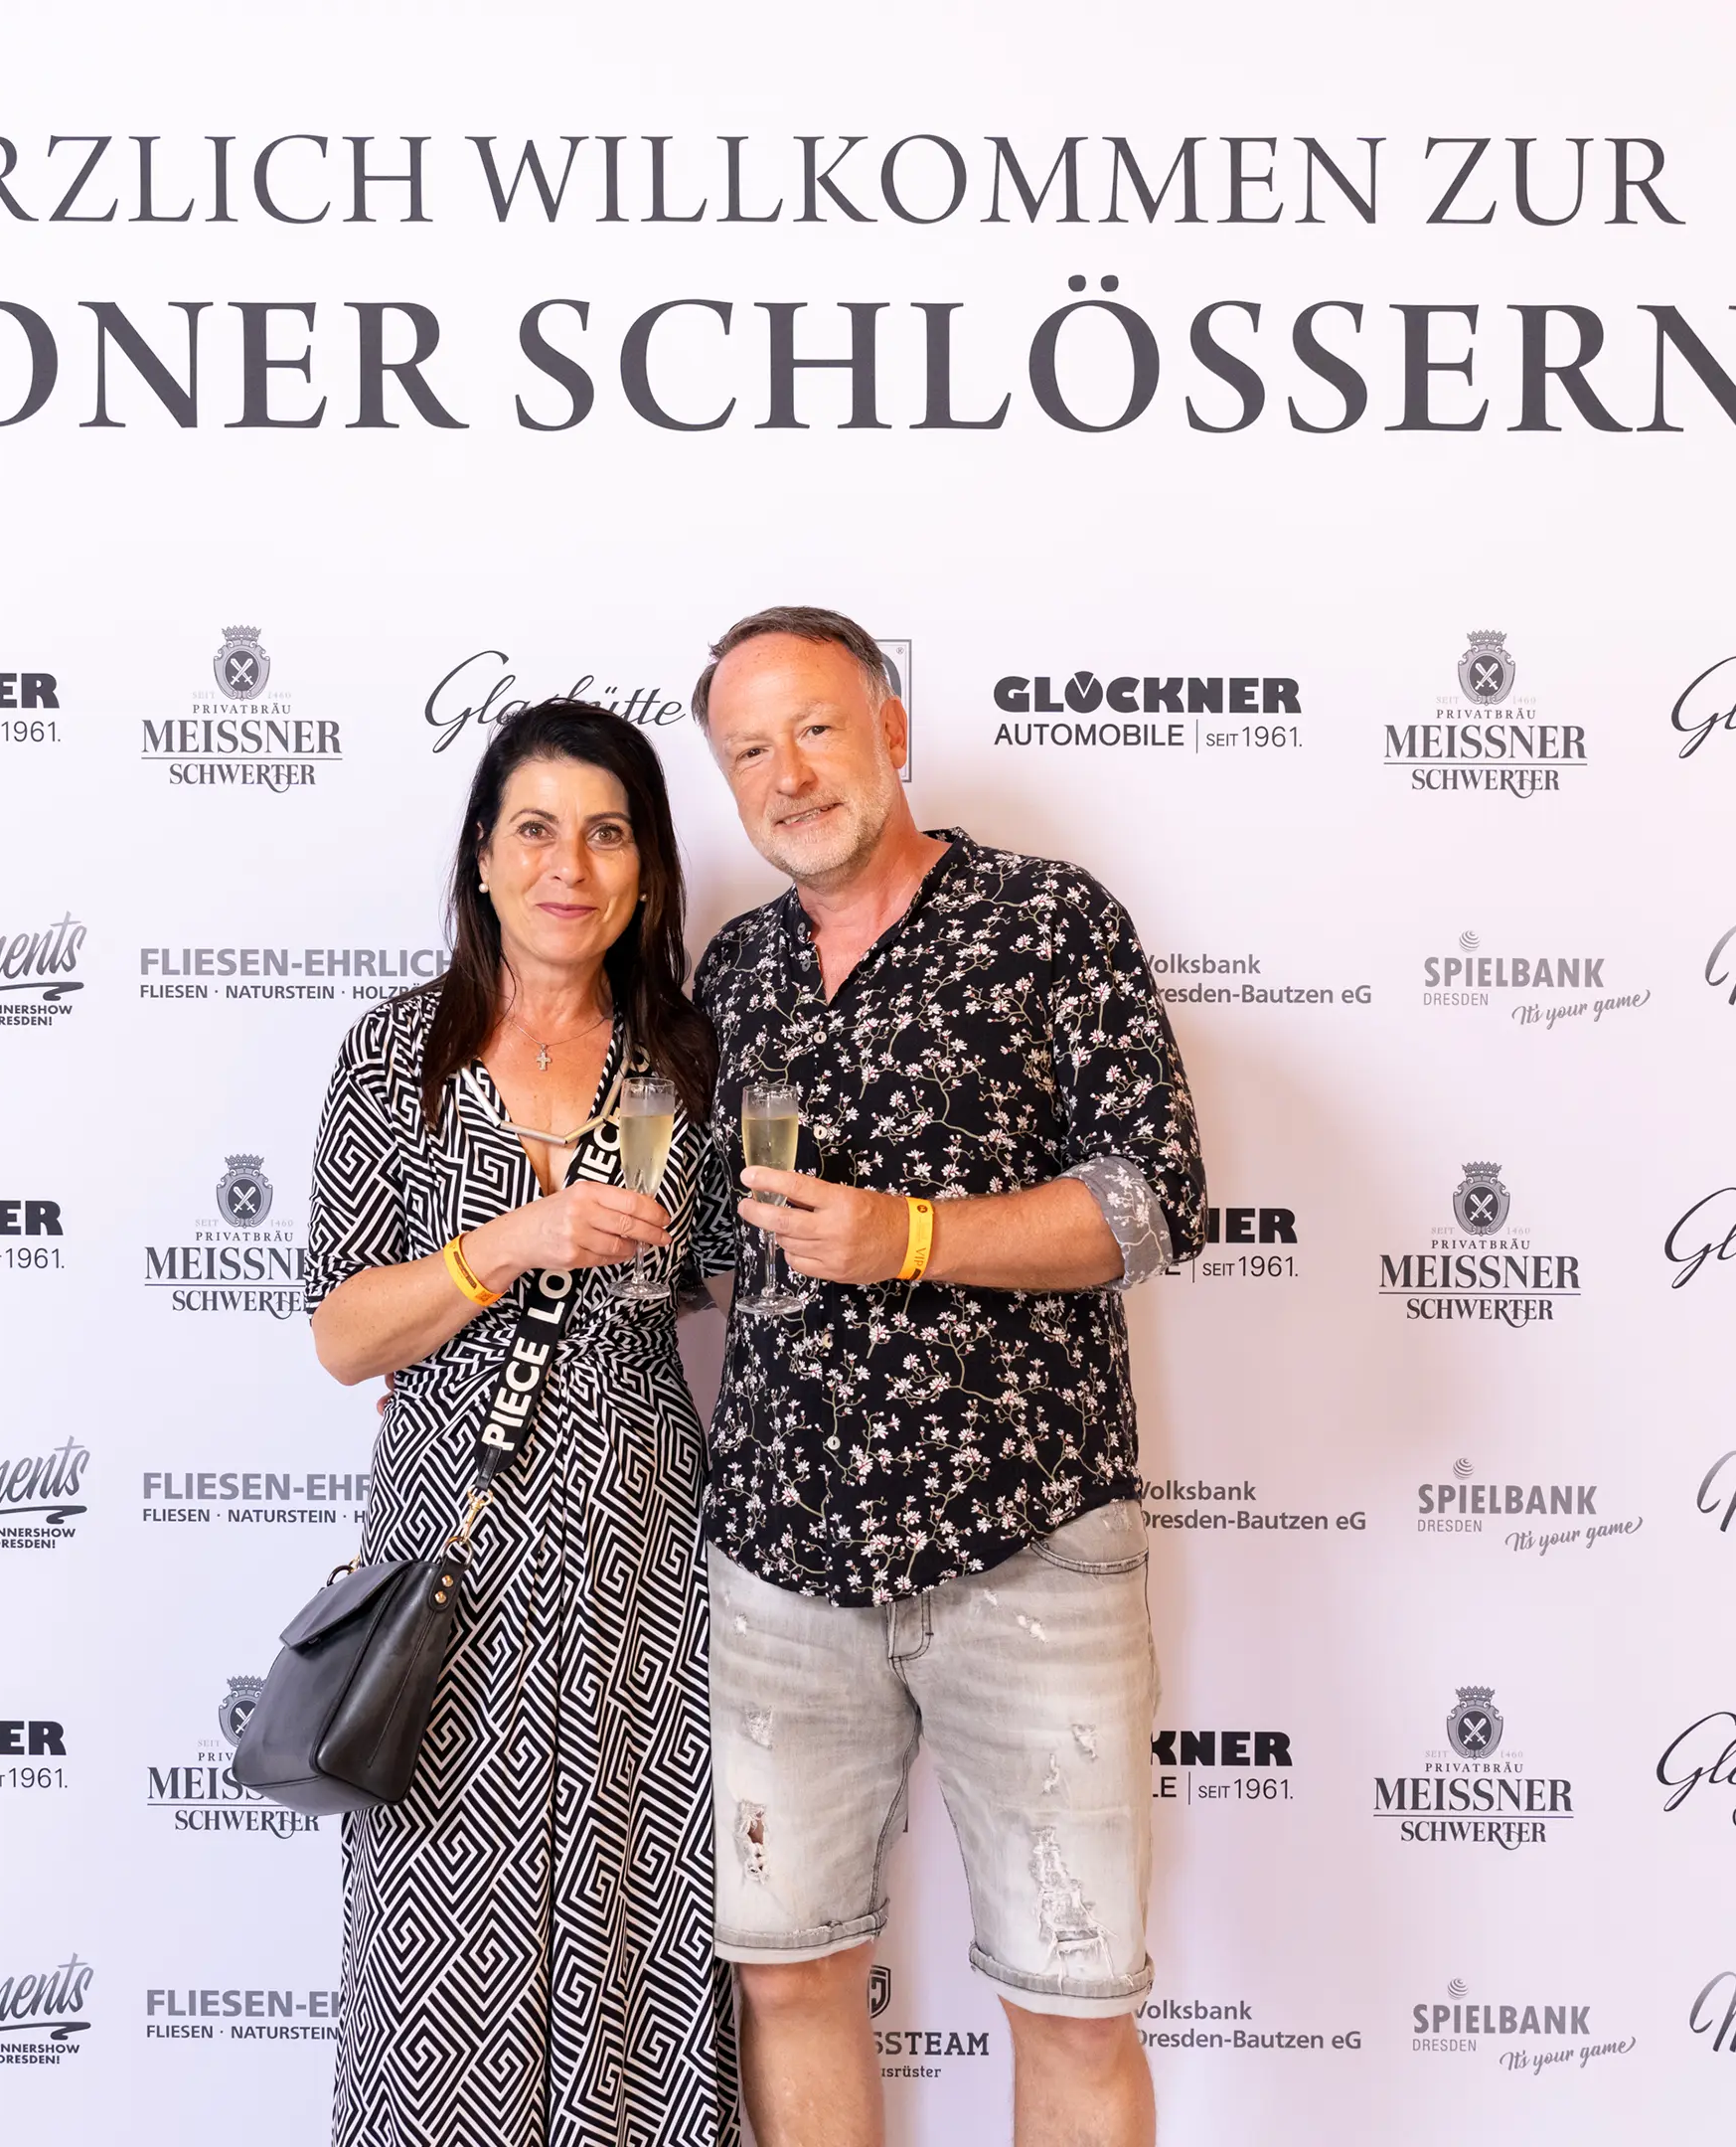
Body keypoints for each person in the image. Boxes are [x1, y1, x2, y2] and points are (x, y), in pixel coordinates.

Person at [687, 607, 1203, 2147]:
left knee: (1073, 2002)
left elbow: (1153, 1202)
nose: (788, 774)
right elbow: (693, 1238)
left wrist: (908, 1237)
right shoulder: (735, 970)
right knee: (787, 1978)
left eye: (816, 729)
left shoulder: (1049, 919)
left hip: (1028, 1547)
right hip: (778, 1559)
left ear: (894, 731)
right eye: (749, 752)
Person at [303, 700, 736, 2147]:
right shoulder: (395, 1059)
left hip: (644, 1551)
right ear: (482, 859)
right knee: (440, 1924)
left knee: (643, 1909)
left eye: (608, 834)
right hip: (452, 1548)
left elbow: (740, 1277)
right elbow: (344, 1335)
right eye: (536, 830)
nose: (571, 865)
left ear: (647, 874)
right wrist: (510, 1243)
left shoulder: (688, 1065)